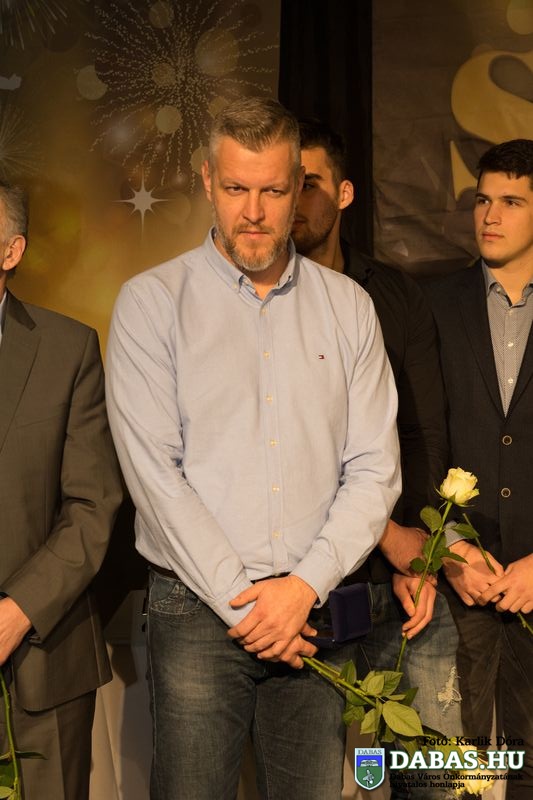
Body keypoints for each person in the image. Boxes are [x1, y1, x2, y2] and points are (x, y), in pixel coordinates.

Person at [106, 96, 401, 800]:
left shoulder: (348, 307)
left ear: (299, 185)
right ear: (208, 180)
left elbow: (374, 469)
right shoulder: (151, 303)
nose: (254, 212)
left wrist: (302, 589)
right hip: (196, 611)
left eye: (273, 190)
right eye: (237, 188)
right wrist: (252, 609)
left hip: (314, 606)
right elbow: (155, 478)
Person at [291, 119, 462, 799]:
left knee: (436, 776)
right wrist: (385, 535)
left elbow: (420, 432)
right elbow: (288, 449)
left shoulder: (390, 293)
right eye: (281, 184)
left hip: (397, 580)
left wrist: (416, 554)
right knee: (312, 780)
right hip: (304, 581)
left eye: (309, 183)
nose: (292, 199)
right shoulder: (254, 300)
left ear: (344, 193)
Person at [0, 180, 122, 799]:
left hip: (41, 665)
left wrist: (15, 613)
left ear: (11, 251)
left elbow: (92, 506)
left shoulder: (68, 349)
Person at [426, 138, 533, 799]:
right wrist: (449, 547)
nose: (489, 216)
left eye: (511, 202)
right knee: (441, 775)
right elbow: (414, 440)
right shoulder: (432, 304)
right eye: (482, 200)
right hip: (457, 580)